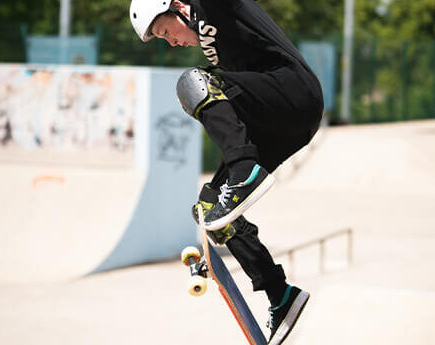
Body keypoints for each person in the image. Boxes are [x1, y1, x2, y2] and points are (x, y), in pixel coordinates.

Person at [129, 1, 323, 344]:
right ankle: (279, 294)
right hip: (281, 124)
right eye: (162, 39)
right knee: (210, 210)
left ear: (176, 6)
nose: (171, 42)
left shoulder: (214, 7)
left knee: (194, 81)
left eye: (165, 31)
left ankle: (245, 171)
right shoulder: (217, 48)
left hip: (295, 94)